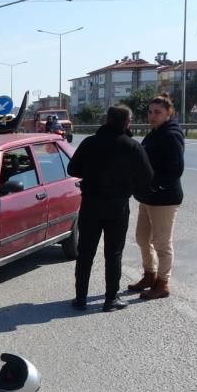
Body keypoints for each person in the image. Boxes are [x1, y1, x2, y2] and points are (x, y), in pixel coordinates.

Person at [67, 105, 153, 312]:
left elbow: (73, 169)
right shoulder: (131, 146)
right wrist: (129, 186)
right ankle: (111, 299)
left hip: (90, 204)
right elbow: (147, 177)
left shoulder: (89, 143)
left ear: (106, 120)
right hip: (118, 206)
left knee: (85, 252)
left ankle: (80, 299)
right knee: (113, 253)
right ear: (127, 123)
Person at [129, 93, 185, 300]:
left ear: (169, 113)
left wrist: (156, 186)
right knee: (142, 238)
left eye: (157, 112)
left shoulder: (171, 135)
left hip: (165, 198)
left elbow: (176, 169)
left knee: (162, 243)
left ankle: (163, 283)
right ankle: (149, 275)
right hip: (148, 197)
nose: (152, 116)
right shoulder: (154, 133)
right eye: (150, 112)